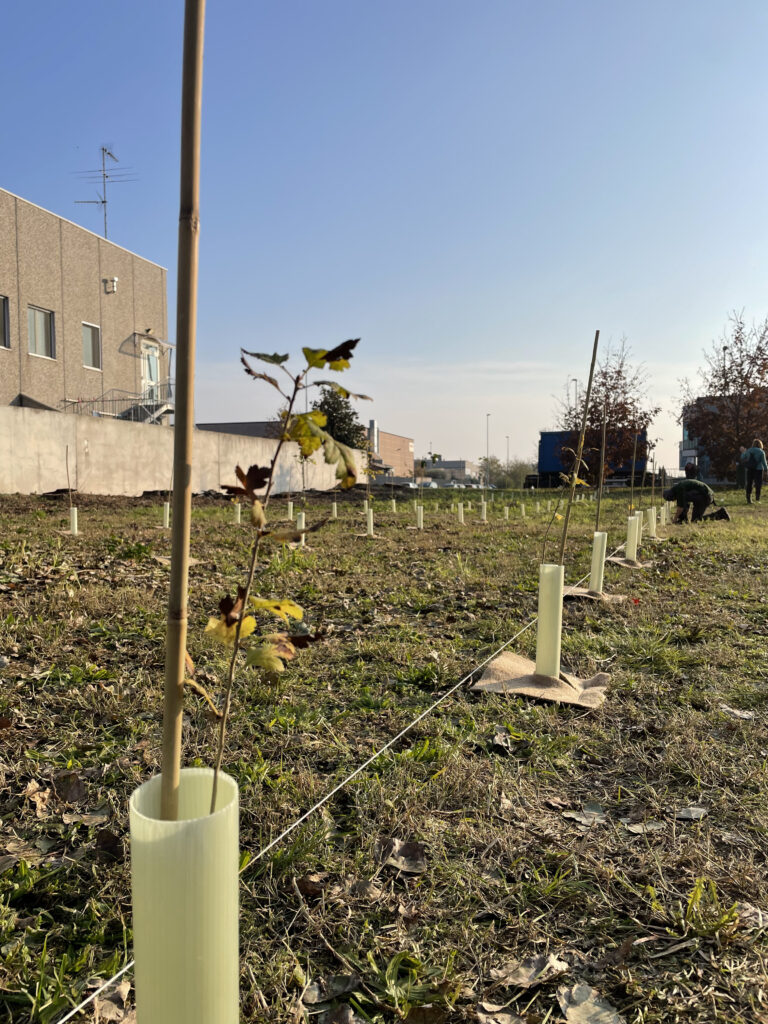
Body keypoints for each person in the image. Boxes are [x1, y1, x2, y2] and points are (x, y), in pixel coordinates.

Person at [663, 464, 729, 523]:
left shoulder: (679, 490)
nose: (673, 500)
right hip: (704, 495)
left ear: (671, 495)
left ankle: (721, 514)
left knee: (696, 520)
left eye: (672, 499)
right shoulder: (679, 487)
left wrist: (674, 519)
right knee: (692, 516)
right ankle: (682, 519)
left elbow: (680, 508)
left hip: (705, 496)